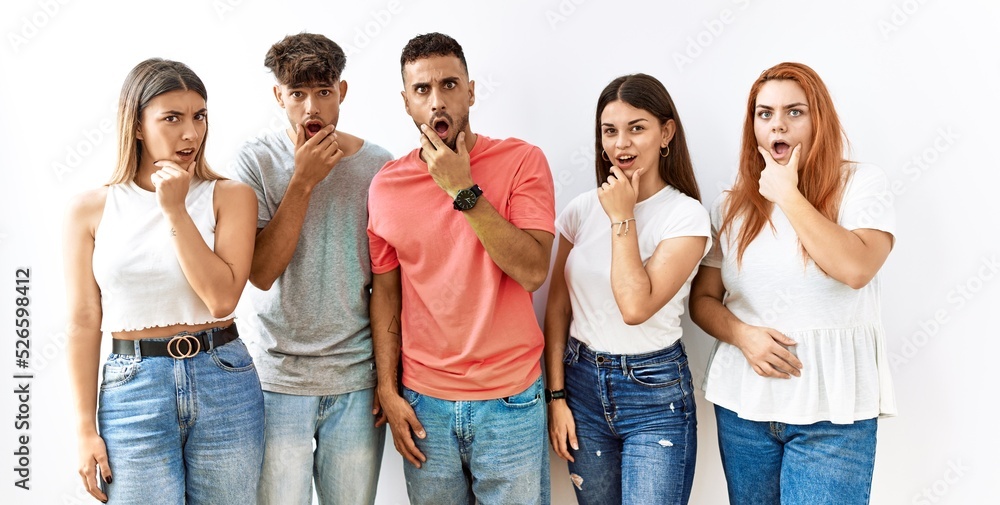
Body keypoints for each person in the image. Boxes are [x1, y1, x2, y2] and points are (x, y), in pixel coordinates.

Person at [689, 62, 896, 505]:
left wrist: (788, 194)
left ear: (818, 118)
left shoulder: (860, 184)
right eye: (764, 114)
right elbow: (703, 300)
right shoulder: (731, 204)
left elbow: (856, 269)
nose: (777, 124)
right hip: (744, 409)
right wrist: (742, 335)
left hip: (833, 414)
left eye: (794, 112)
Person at [367, 32, 556, 505]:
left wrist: (462, 190)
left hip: (510, 400)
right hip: (423, 403)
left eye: (449, 85)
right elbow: (386, 294)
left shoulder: (521, 162)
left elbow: (533, 270)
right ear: (406, 101)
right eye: (422, 90)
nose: (437, 101)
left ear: (470, 91)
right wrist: (388, 391)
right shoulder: (386, 186)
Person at [64, 58, 262, 504]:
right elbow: (81, 321)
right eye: (172, 118)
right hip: (132, 389)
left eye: (199, 116)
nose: (190, 133)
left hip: (224, 379)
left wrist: (174, 210)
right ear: (136, 125)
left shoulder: (230, 197)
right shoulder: (90, 210)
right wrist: (83, 429)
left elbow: (221, 298)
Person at [231, 33, 392, 505]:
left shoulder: (378, 166)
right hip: (278, 378)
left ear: (341, 91)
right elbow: (259, 272)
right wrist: (301, 182)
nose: (310, 107)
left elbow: (387, 284)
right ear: (278, 96)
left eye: (322, 91)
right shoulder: (256, 160)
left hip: (356, 380)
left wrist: (387, 378)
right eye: (297, 94)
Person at [544, 73, 709, 505]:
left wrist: (622, 217)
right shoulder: (580, 210)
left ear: (665, 132)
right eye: (610, 131)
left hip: (654, 396)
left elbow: (635, 305)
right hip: (580, 385)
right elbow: (558, 308)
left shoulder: (686, 216)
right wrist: (556, 396)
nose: (622, 145)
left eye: (637, 128)